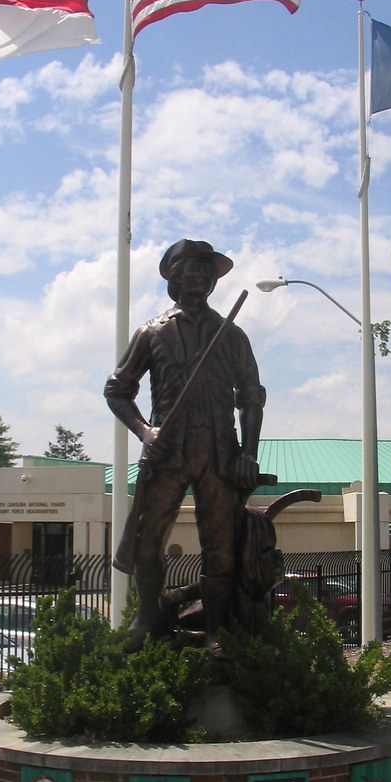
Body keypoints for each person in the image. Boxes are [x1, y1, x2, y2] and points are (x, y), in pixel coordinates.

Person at [104, 239, 266, 650]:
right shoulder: (151, 332)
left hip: (219, 454)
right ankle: (149, 621)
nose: (201, 278)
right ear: (175, 278)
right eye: (192, 271)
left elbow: (250, 397)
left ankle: (217, 630)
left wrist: (248, 454)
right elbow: (117, 390)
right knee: (145, 544)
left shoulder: (232, 335)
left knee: (221, 549)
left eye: (206, 273)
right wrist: (145, 431)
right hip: (167, 454)